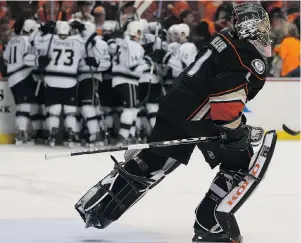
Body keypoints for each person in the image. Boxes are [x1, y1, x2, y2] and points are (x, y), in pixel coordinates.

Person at [74, 3, 277, 243]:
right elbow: (224, 107)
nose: (267, 28)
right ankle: (210, 224)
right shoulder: (248, 58)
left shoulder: (225, 38)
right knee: (240, 164)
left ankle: (98, 206)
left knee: (155, 160)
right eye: (263, 23)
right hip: (200, 116)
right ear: (251, 28)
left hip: (174, 105)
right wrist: (237, 132)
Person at [33, 21, 86, 147]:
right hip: (70, 80)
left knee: (53, 110)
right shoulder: (77, 41)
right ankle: (71, 134)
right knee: (70, 111)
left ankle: (52, 134)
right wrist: (81, 30)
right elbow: (85, 47)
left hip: (51, 79)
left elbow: (35, 42)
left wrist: (41, 30)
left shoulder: (49, 39)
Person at [3, 18, 39, 145]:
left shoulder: (13, 40)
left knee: (26, 104)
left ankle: (29, 132)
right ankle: (21, 134)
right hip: (22, 76)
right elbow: (29, 59)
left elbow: (5, 58)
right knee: (24, 106)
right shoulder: (27, 41)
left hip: (13, 77)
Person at [111, 21, 145, 144]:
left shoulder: (122, 43)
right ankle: (123, 136)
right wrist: (147, 62)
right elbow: (132, 66)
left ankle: (129, 134)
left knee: (132, 108)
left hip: (119, 79)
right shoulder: (134, 45)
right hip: (127, 80)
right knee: (130, 109)